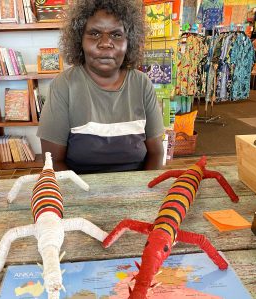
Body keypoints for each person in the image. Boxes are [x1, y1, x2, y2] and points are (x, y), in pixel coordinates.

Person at [37, 0, 164, 174]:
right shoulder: (64, 86)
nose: (105, 43)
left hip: (137, 190)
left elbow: (156, 154)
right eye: (95, 33)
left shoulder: (142, 84)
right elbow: (53, 161)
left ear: (130, 42)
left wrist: (144, 192)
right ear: (79, 41)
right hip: (79, 189)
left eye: (116, 35)